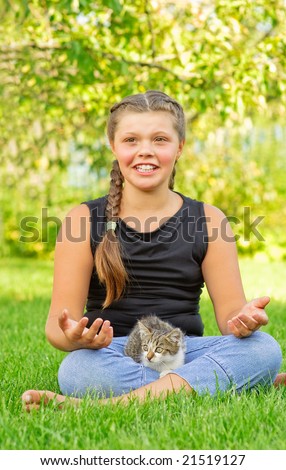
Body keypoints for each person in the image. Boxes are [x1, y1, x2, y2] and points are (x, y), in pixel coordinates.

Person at [22, 90, 285, 411]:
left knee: (263, 349)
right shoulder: (82, 219)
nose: (145, 151)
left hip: (186, 351)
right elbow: (57, 328)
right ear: (114, 146)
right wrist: (75, 338)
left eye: (160, 139)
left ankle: (105, 405)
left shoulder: (209, 219)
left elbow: (229, 316)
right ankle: (220, 384)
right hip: (111, 353)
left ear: (179, 148)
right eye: (131, 140)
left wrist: (243, 320)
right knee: (77, 368)